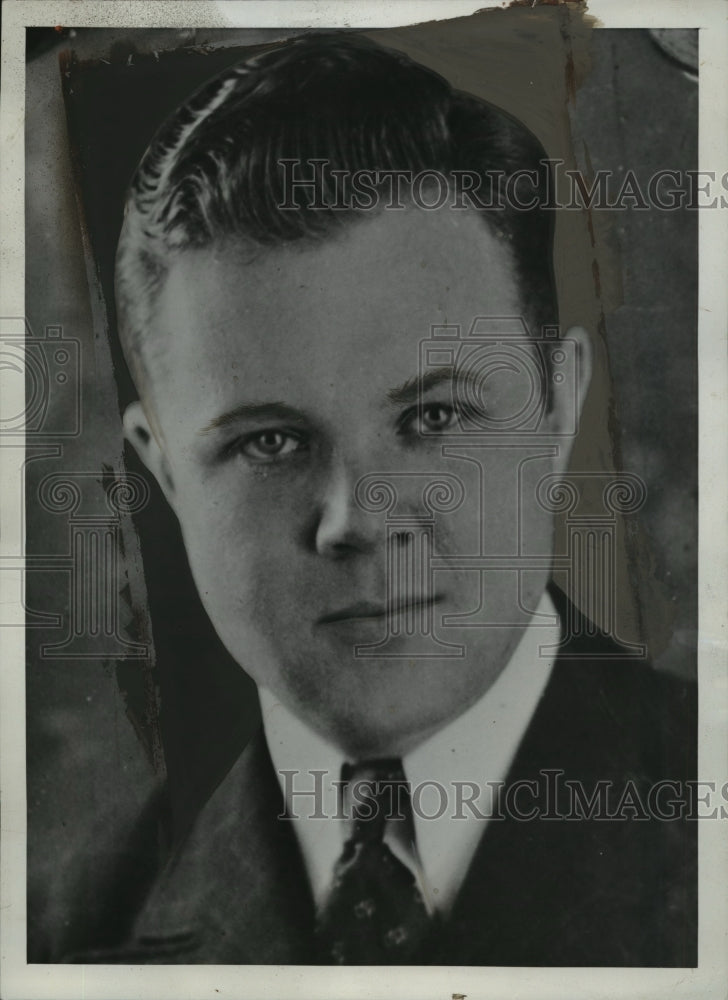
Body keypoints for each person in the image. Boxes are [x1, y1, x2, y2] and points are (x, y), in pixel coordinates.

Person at [67, 32, 696, 965]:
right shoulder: (76, 929)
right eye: (268, 442)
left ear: (555, 407)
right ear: (162, 474)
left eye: (434, 416)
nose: (356, 519)